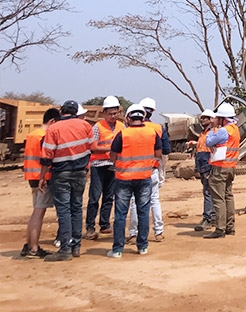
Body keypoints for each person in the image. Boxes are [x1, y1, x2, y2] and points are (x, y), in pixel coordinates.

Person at [39, 100, 96, 262]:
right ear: (75, 112)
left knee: (64, 210)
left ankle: (65, 249)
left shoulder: (54, 128)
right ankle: (76, 246)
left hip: (61, 174)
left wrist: (43, 177)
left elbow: (47, 156)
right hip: (80, 173)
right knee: (76, 208)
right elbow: (92, 147)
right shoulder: (84, 125)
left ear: (61, 111)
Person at [107, 104, 161, 258]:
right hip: (144, 177)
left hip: (124, 178)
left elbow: (113, 155)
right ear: (143, 118)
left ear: (129, 118)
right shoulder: (152, 133)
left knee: (120, 214)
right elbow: (158, 153)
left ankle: (117, 249)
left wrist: (119, 164)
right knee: (143, 212)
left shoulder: (123, 134)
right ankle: (142, 246)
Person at [127, 96, 169, 243]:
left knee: (134, 202)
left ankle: (133, 233)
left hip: (133, 171)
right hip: (152, 170)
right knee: (154, 200)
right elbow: (165, 151)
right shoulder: (157, 128)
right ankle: (158, 232)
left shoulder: (129, 130)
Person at [20, 107, 61, 258]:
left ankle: (29, 245)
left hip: (31, 177)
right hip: (42, 179)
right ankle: (34, 249)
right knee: (39, 212)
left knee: (35, 212)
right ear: (52, 121)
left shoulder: (32, 134)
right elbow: (46, 158)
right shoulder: (44, 136)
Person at [85, 96, 122, 240]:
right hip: (99, 165)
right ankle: (90, 226)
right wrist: (110, 149)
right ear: (104, 113)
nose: (113, 116)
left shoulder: (121, 126)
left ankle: (105, 224)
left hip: (113, 166)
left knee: (109, 196)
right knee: (94, 197)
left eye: (115, 113)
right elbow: (92, 147)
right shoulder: (97, 127)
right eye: (110, 113)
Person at [203, 102, 240, 239]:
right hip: (230, 167)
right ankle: (230, 227)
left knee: (218, 199)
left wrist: (212, 128)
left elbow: (208, 142)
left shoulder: (223, 131)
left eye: (218, 118)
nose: (216, 120)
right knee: (228, 196)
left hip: (220, 168)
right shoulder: (235, 129)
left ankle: (220, 228)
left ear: (223, 118)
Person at [193, 109, 216, 232]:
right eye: (202, 118)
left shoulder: (213, 132)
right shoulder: (203, 133)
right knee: (208, 191)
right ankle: (212, 216)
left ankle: (208, 218)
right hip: (202, 163)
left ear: (212, 119)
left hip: (208, 164)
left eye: (206, 118)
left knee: (208, 191)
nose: (203, 120)